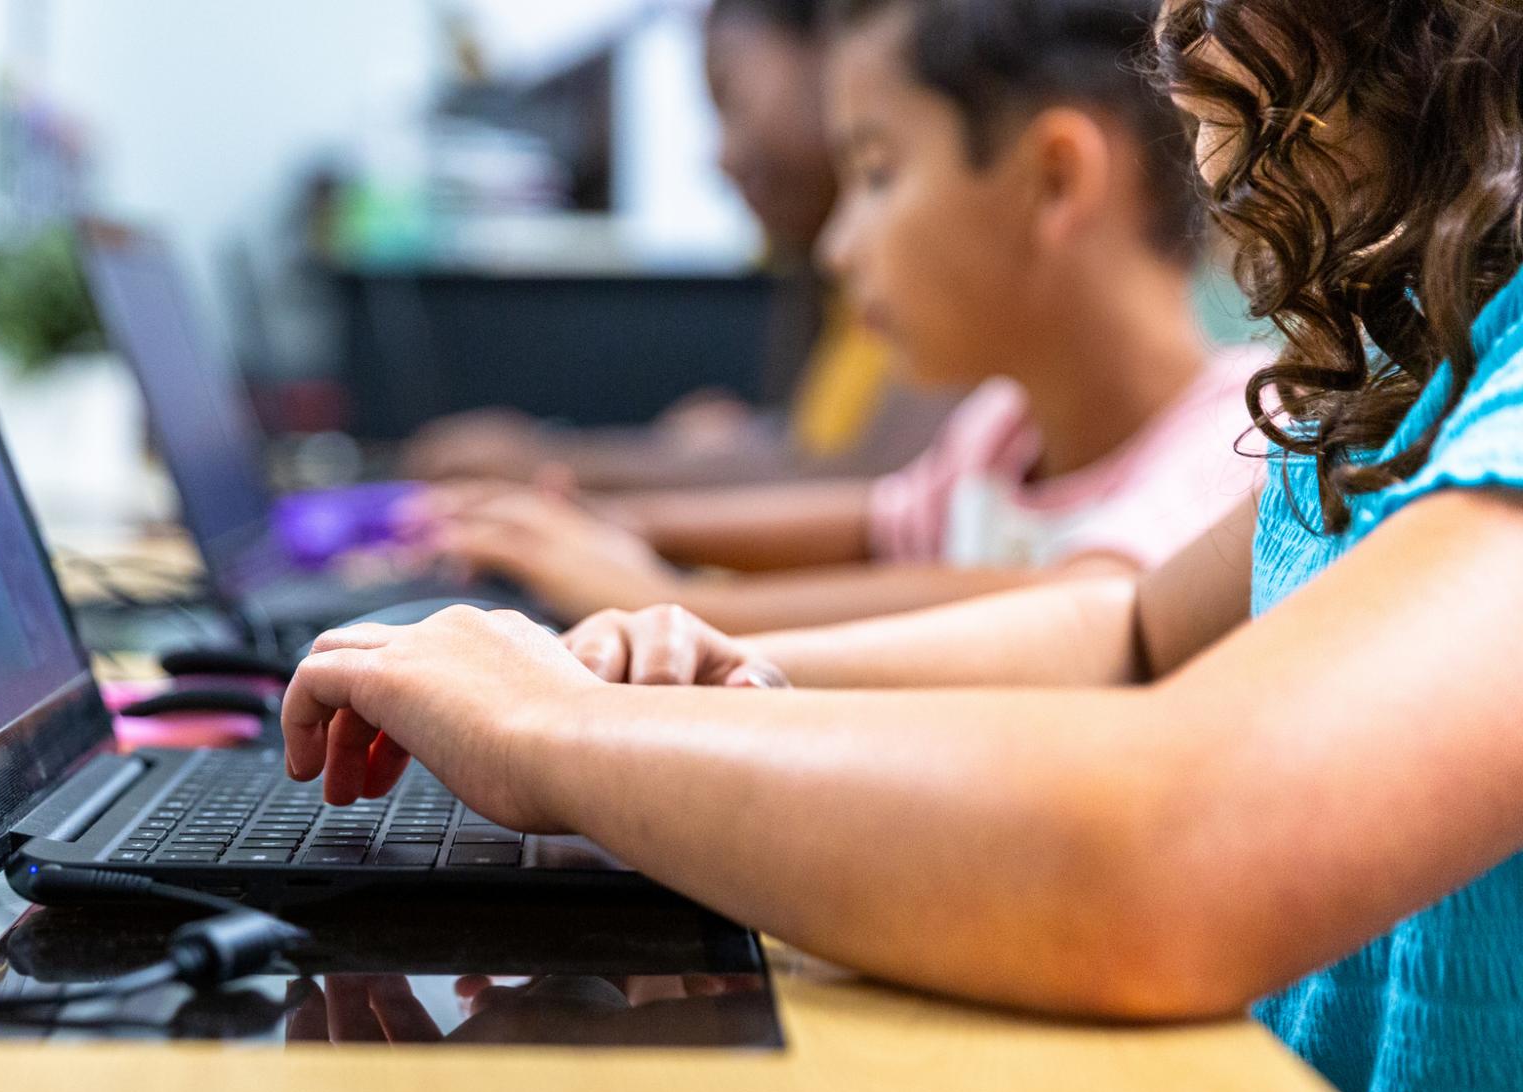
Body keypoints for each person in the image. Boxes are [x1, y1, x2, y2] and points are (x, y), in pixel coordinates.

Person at [279, 0, 1523, 1092]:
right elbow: (1129, 634)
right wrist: (702, 677)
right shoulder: (1414, 356)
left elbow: (1174, 852)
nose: (1179, 30)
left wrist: (566, 734)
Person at [409, 0, 1268, 631]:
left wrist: (671, 602)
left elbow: (1090, 608)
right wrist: (610, 527)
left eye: (878, 173)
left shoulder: (1238, 436)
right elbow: (878, 522)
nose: (838, 246)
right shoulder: (1004, 431)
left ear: (1054, 181)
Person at [401, 0, 951, 492]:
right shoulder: (829, 277)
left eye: (729, 98)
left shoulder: (942, 268)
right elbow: (824, 459)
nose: (722, 157)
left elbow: (872, 490)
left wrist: (553, 471)